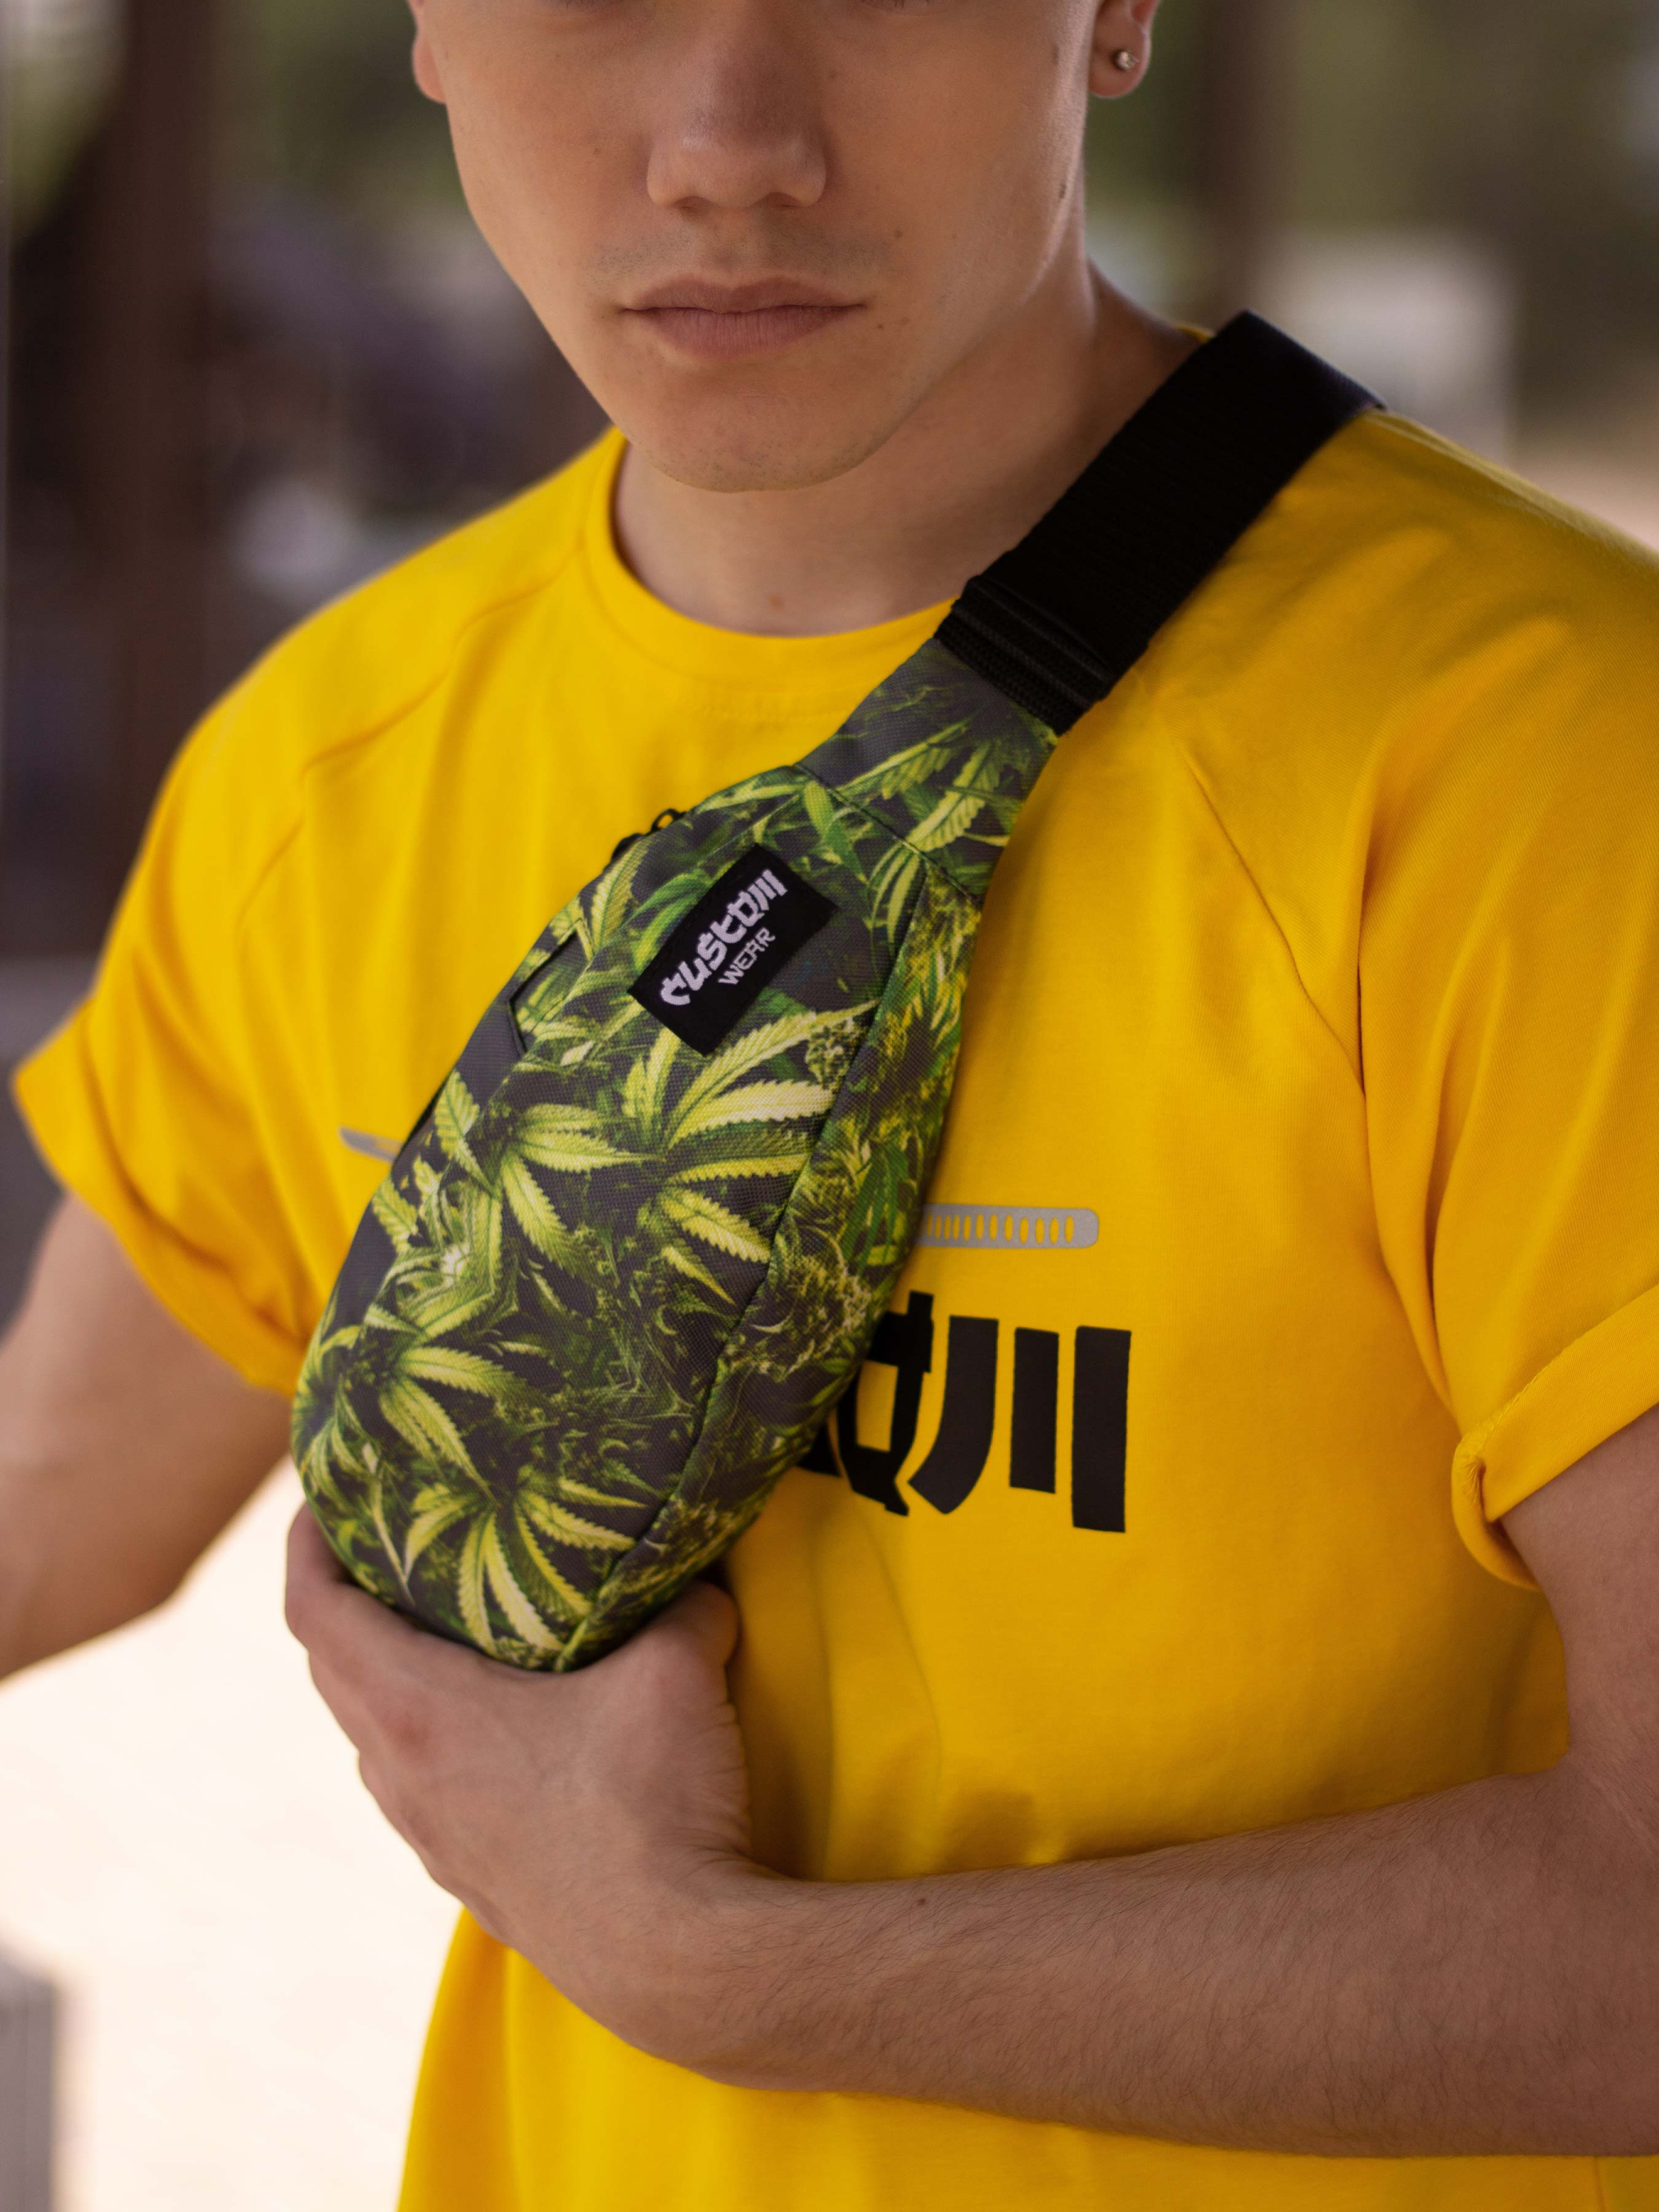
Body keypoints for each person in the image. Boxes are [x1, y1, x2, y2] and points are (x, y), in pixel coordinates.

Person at [3, 0, 1657, 2205]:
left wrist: (710, 1967)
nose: (727, 145)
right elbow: (52, 1508)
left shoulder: (1551, 770)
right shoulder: (332, 766)